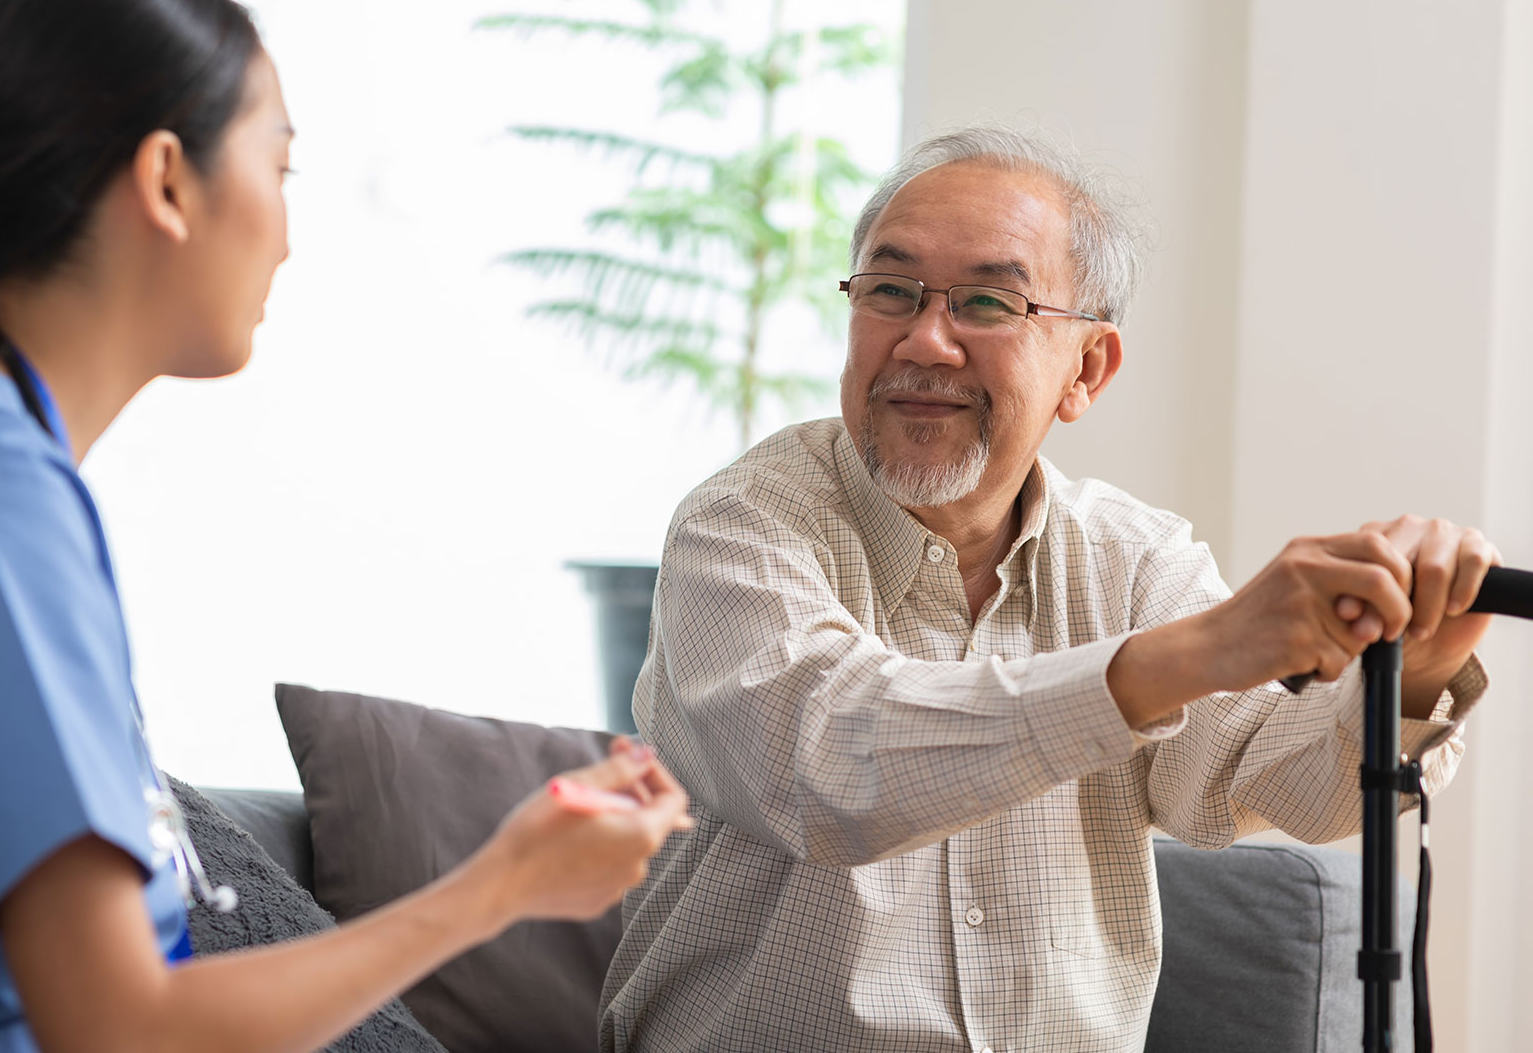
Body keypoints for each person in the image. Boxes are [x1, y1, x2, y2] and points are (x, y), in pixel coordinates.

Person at [0, 0, 692, 1051]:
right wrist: (500, 887)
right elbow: (123, 1027)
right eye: (279, 165)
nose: (286, 237)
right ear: (169, 182)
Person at [599, 124, 1497, 1052]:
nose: (926, 340)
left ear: (1087, 369)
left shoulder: (1135, 558)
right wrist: (1190, 656)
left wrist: (1418, 676)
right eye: (891, 292)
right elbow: (831, 766)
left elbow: (1262, 783)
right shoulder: (740, 525)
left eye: (990, 302)